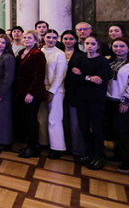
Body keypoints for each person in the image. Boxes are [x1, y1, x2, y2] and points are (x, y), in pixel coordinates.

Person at [70, 35, 111, 170]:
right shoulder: (80, 59)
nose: (90, 46)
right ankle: (88, 153)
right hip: (81, 97)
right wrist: (88, 77)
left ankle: (98, 155)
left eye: (93, 44)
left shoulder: (102, 61)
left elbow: (99, 80)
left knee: (97, 126)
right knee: (83, 126)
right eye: (87, 43)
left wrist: (82, 76)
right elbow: (73, 77)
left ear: (98, 46)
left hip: (96, 98)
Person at [105, 37, 129, 173]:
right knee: (112, 129)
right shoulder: (110, 61)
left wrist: (126, 101)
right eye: (115, 46)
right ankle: (120, 153)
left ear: (128, 48)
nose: (118, 49)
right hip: (109, 100)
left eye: (122, 46)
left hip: (124, 102)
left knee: (120, 129)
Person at [15, 30, 47, 158]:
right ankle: (29, 145)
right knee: (26, 120)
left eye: (29, 38)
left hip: (32, 93)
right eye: (25, 38)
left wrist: (31, 93)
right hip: (21, 90)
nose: (26, 40)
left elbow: (39, 76)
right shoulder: (22, 52)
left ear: (35, 40)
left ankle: (33, 148)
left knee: (31, 121)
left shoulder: (37, 54)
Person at [38, 29, 68, 159]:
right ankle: (44, 142)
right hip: (40, 89)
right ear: (44, 38)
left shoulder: (59, 54)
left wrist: (51, 91)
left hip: (56, 90)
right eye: (48, 37)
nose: (50, 40)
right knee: (42, 118)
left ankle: (57, 147)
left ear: (57, 40)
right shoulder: (40, 52)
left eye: (54, 37)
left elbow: (59, 75)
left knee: (54, 119)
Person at [61, 30, 86, 161]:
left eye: (71, 39)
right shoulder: (58, 53)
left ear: (75, 40)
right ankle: (66, 146)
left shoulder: (81, 55)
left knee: (75, 123)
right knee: (62, 120)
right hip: (59, 90)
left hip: (75, 91)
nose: (68, 41)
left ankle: (78, 150)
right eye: (65, 38)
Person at [0, 35, 15, 152]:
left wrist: (1, 93)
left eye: (3, 43)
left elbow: (8, 78)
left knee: (3, 117)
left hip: (3, 91)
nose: (0, 44)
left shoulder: (8, 57)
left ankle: (4, 142)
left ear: (7, 45)